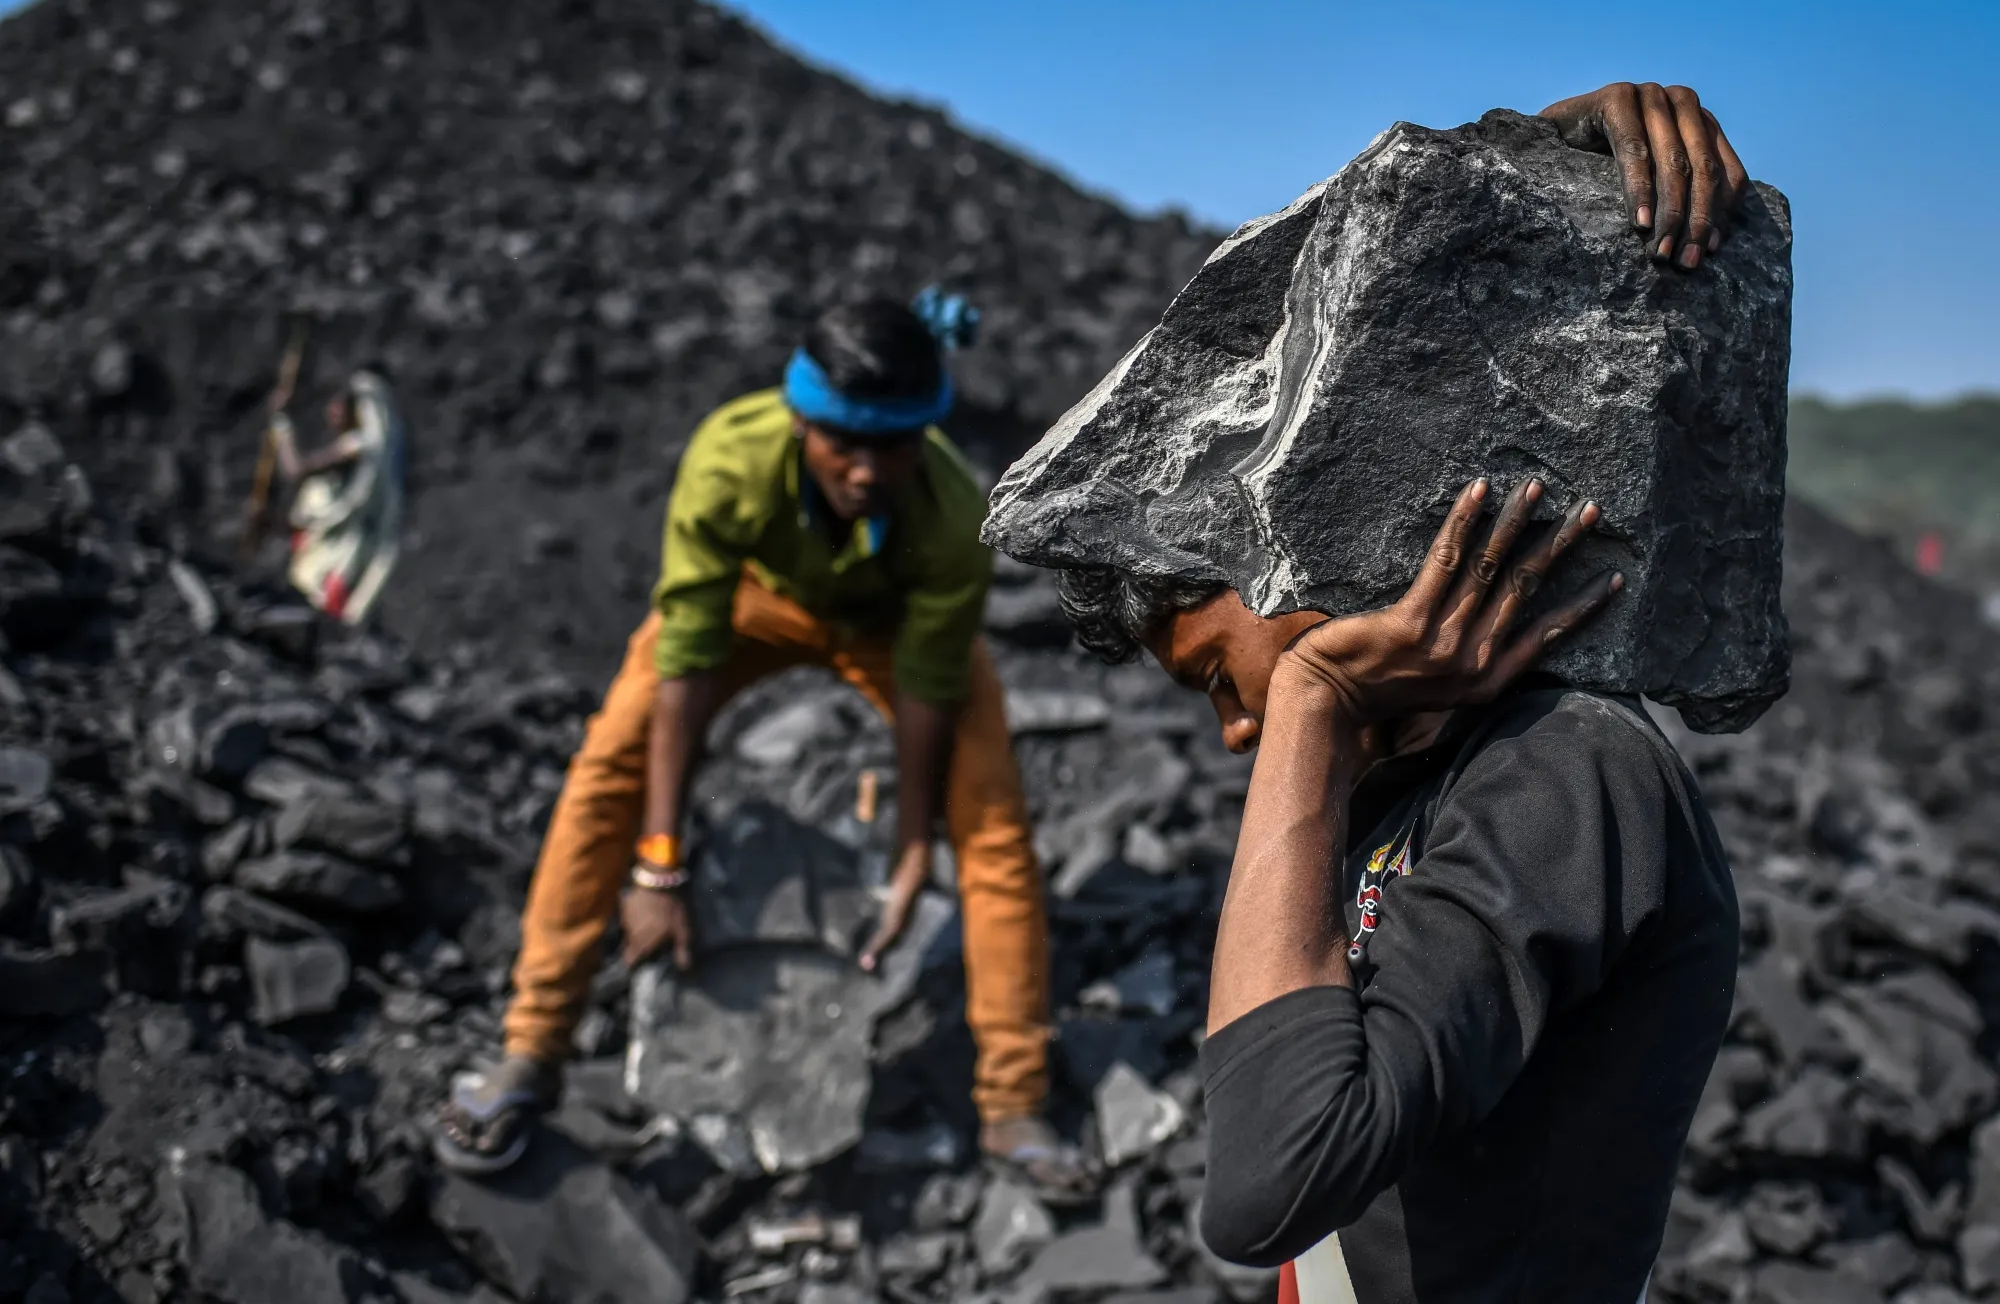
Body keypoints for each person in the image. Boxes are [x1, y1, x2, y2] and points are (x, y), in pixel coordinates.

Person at [1045, 83, 1748, 1303]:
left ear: (1298, 548)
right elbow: (1378, 342)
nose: (1234, 731)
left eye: (1217, 675)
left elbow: (1270, 1183)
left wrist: (1311, 697)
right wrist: (1519, 151)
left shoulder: (1565, 774)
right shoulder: (1407, 769)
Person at [433, 292, 1090, 1199]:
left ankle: (1013, 1102)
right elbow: (685, 662)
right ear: (800, 420)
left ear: (923, 433)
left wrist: (912, 847)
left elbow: (929, 689)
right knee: (609, 763)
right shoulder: (729, 463)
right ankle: (532, 1046)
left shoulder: (947, 516)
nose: (866, 471)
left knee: (993, 828)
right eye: (843, 442)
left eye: (893, 445)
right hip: (759, 601)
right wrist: (660, 866)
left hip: (890, 626)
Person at [266, 369, 406, 625]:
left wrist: (281, 424)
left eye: (342, 405)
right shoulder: (356, 454)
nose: (334, 411)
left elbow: (295, 470)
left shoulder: (356, 447)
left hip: (339, 555)